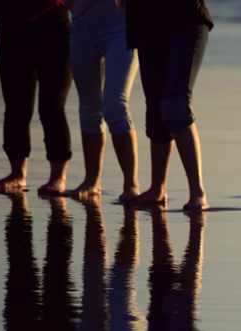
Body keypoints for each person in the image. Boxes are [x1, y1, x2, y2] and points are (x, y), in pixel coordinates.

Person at [125, 0, 212, 211]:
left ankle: (198, 193)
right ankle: (157, 189)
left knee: (175, 103)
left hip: (187, 19)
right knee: (156, 111)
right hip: (146, 23)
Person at [0, 0, 72, 195]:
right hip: (12, 29)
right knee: (16, 107)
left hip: (52, 24)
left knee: (52, 108)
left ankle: (58, 178)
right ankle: (17, 175)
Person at [65, 0, 140, 201]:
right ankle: (92, 181)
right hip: (81, 28)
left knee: (115, 105)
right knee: (89, 109)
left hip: (121, 27)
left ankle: (131, 184)